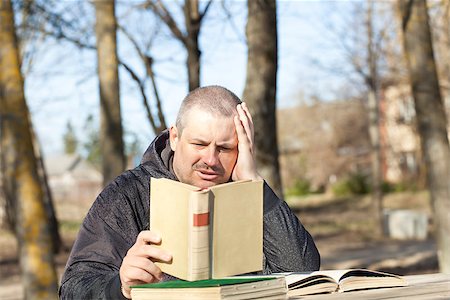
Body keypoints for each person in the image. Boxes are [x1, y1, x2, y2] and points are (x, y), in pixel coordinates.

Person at [59, 86, 320, 299]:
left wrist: (254, 185)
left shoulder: (251, 193)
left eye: (225, 148)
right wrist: (120, 287)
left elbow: (302, 272)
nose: (210, 159)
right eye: (199, 143)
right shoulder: (127, 194)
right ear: (174, 137)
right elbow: (72, 288)